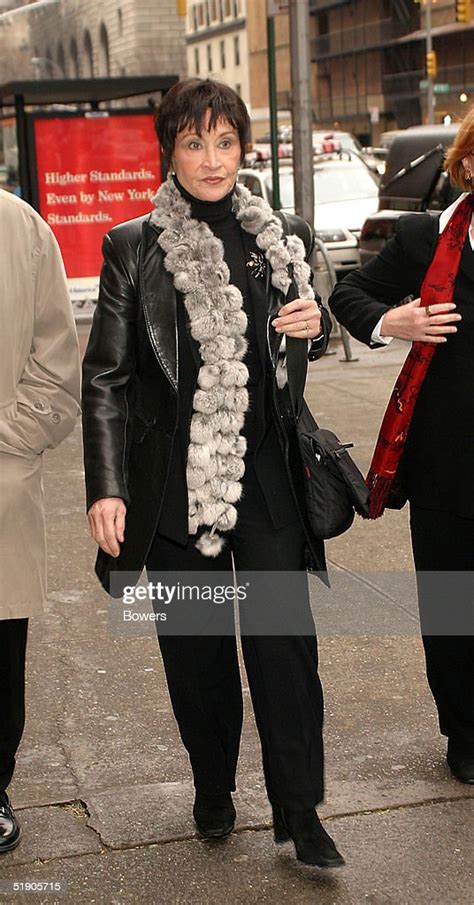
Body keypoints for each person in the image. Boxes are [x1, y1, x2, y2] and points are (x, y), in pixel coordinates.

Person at [82, 78, 345, 868]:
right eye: (194, 143)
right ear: (169, 149)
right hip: (174, 487)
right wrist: (106, 484)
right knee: (197, 659)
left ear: (244, 146)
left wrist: (316, 324)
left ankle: (301, 809)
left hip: (264, 478)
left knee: (285, 651)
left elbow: (305, 338)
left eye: (224, 141)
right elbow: (106, 378)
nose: (211, 159)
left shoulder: (281, 235)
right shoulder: (134, 246)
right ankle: (213, 787)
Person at [329, 107, 474, 785]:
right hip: (448, 463)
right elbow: (347, 291)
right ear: (467, 166)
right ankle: (465, 732)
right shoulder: (425, 239)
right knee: (453, 602)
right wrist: (397, 319)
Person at [0, 190, 81, 852]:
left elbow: (57, 366)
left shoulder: (20, 228)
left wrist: (8, 438)